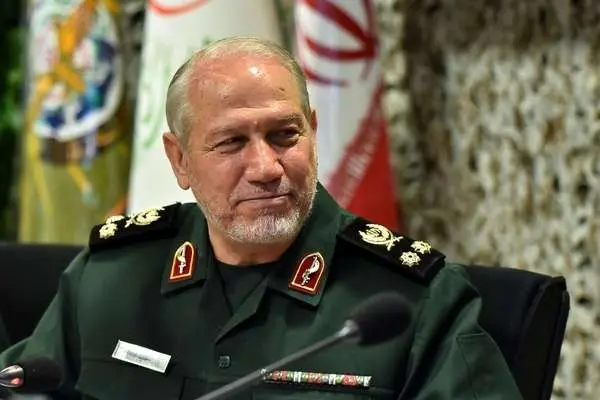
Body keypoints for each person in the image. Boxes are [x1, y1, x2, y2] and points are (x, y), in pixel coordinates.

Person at [0, 36, 522, 399]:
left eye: (284, 135)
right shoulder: (109, 278)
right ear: (180, 161)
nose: (267, 167)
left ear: (313, 131)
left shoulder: (412, 301)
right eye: (231, 142)